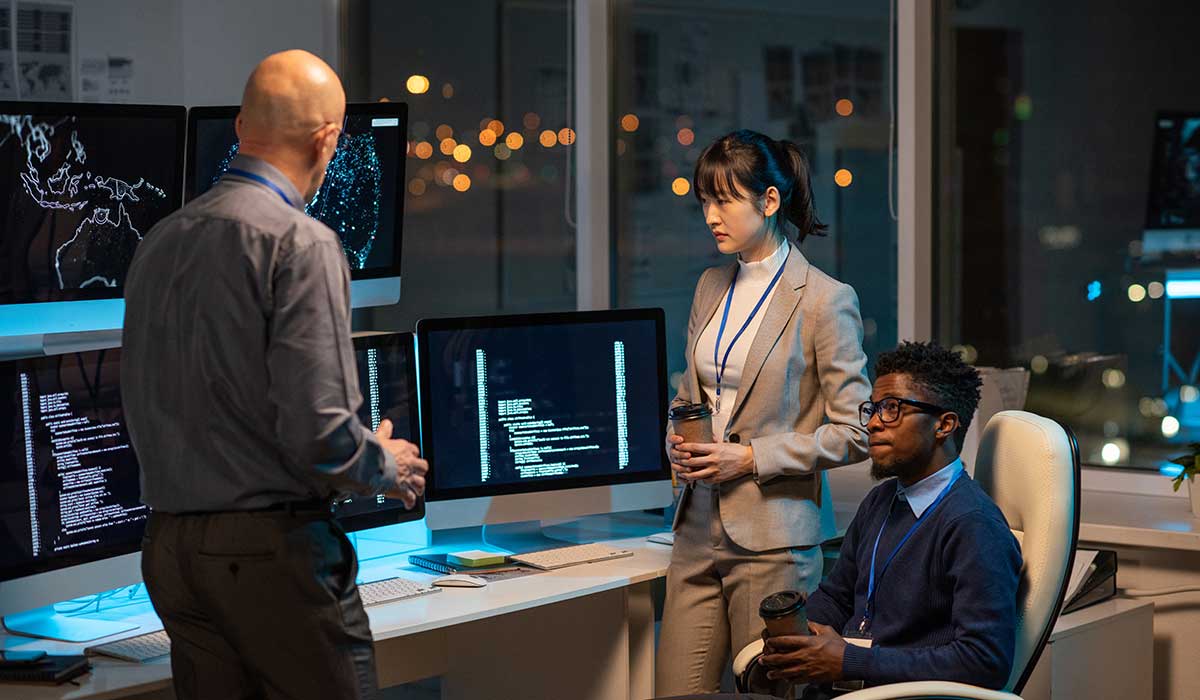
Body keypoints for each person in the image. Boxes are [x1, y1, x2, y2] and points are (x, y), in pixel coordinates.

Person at [121, 50, 426, 700]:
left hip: (170, 552)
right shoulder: (302, 243)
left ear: (240, 128)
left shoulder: (159, 242)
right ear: (327, 139)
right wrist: (387, 465)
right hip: (268, 556)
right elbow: (321, 430)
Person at [655, 129, 872, 696]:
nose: (710, 215)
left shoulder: (825, 299)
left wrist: (750, 458)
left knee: (765, 694)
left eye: (724, 199)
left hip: (773, 538)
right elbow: (690, 395)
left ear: (769, 201)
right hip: (695, 524)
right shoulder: (709, 286)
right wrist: (677, 440)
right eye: (704, 200)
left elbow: (857, 429)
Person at [758, 342, 1022, 694]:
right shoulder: (881, 499)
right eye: (874, 409)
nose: (873, 424)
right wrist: (798, 635)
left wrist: (848, 661)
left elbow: (984, 661)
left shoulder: (973, 524)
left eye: (893, 409)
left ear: (944, 424)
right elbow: (837, 597)